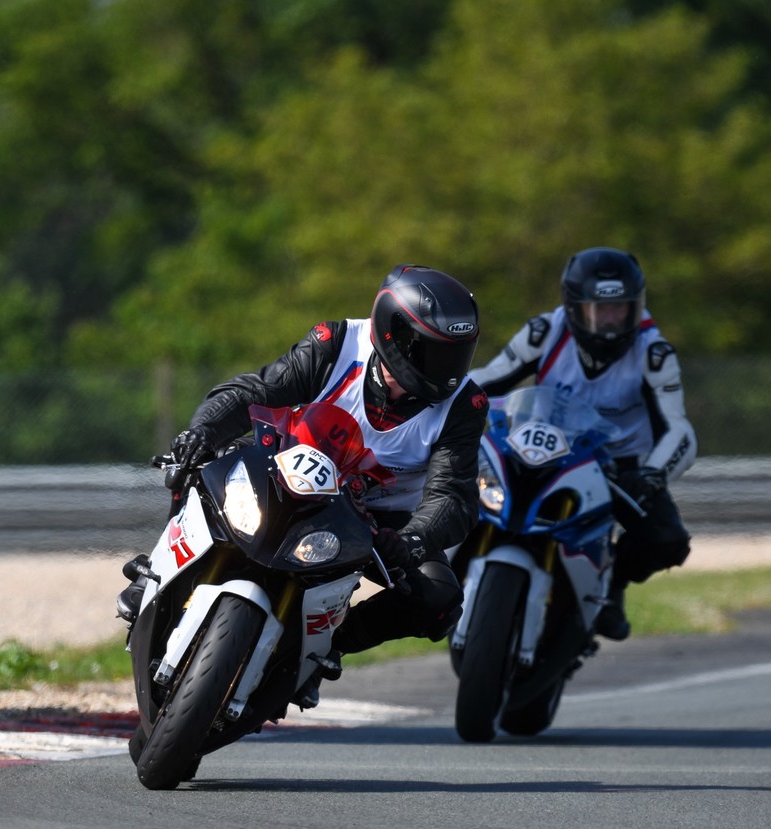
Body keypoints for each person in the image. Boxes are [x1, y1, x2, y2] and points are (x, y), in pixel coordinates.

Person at [118, 264, 490, 700]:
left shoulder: (465, 403)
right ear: (393, 333)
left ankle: (322, 648)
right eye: (434, 352)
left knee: (439, 600)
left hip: (377, 520)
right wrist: (203, 431)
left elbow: (453, 495)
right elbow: (251, 392)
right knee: (201, 460)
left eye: (456, 354)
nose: (448, 370)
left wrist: (411, 539)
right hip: (284, 471)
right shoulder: (337, 344)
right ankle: (159, 572)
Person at [471, 247, 697, 640]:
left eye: (621, 310)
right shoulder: (545, 331)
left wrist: (649, 476)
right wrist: (439, 403)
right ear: (574, 307)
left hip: (620, 465)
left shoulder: (655, 352)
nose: (611, 322)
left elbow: (679, 431)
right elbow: (489, 379)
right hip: (543, 449)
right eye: (600, 310)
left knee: (669, 541)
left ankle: (612, 584)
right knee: (464, 492)